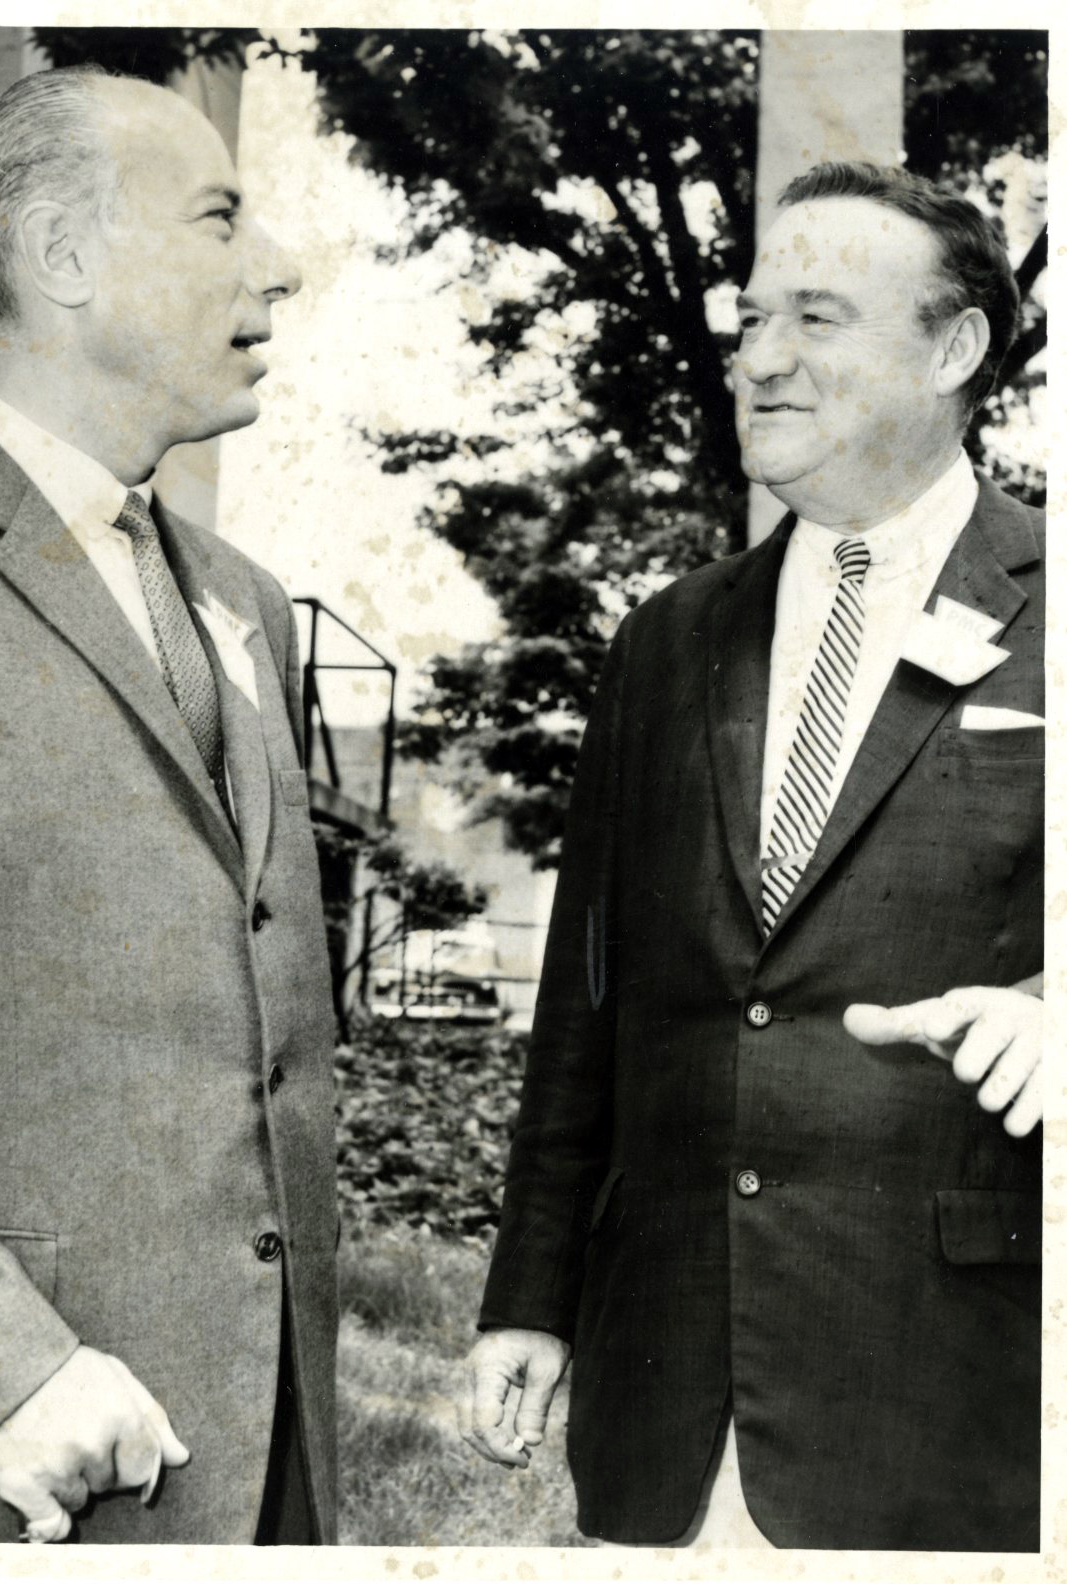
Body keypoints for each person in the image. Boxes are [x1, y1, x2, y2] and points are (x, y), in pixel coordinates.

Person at [458, 162, 1043, 1551]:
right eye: (752, 321)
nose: (762, 360)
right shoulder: (666, 639)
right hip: (666, 1396)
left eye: (816, 319)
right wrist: (531, 1296)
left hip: (962, 1398)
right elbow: (584, 1010)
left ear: (954, 350)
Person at [0, 66, 340, 1545]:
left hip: (271, 1463)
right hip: (6, 1471)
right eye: (220, 217)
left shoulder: (245, 602)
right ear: (64, 255)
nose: (279, 266)